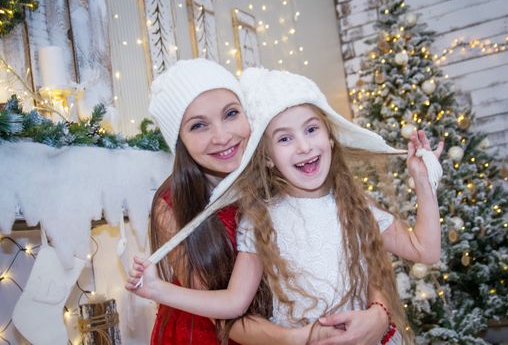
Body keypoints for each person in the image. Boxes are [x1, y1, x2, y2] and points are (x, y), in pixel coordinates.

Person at [129, 67, 444, 344]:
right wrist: (157, 289)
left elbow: (396, 255)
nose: (222, 136)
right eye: (198, 125)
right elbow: (232, 308)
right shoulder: (257, 218)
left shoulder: (349, 204)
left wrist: (378, 313)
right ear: (266, 154)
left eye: (230, 114)